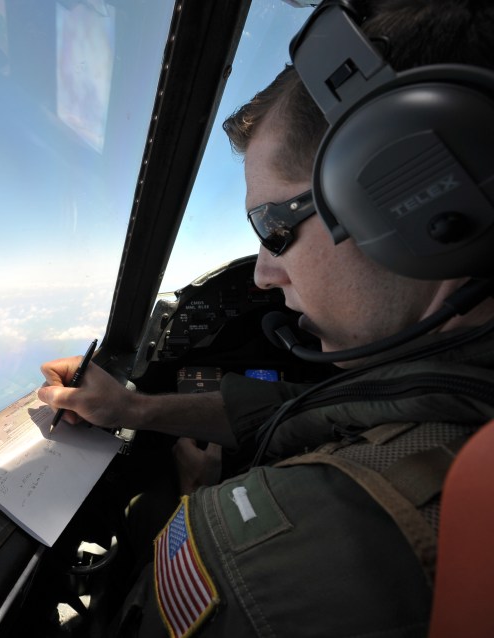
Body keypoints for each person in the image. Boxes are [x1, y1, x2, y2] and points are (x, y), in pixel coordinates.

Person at [37, 0, 494, 635]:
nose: (261, 274)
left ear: (424, 198)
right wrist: (134, 411)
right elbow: (311, 403)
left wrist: (198, 510)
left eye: (274, 226)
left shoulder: (278, 556)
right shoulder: (449, 386)